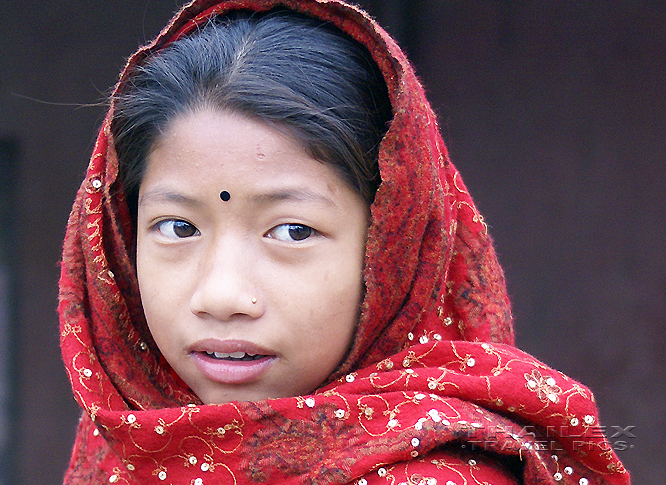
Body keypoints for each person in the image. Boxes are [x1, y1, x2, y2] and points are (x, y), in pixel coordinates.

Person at [58, 1, 630, 484]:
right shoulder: (129, 440)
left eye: (293, 231)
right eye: (179, 227)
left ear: (395, 252)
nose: (223, 295)